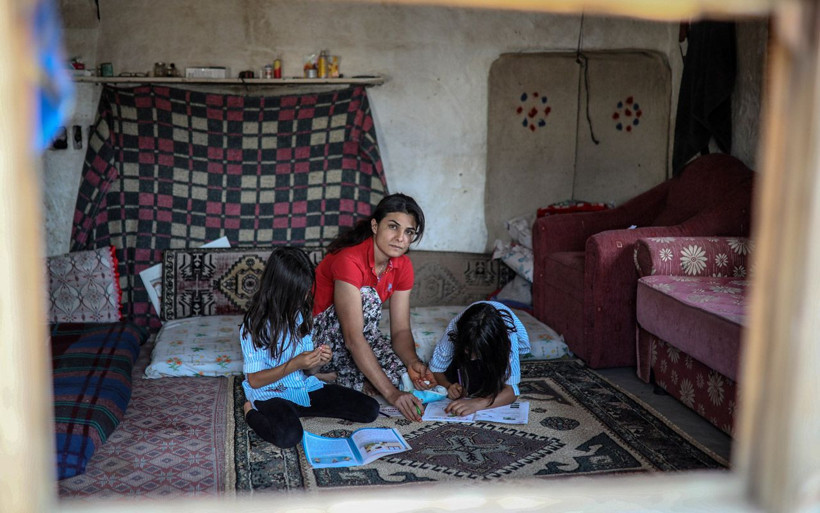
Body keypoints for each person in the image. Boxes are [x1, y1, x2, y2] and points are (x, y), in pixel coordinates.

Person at [239, 247, 380, 449]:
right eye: (300, 292)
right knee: (289, 437)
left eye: (306, 290)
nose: (305, 297)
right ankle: (249, 412)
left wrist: (318, 361)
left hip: (303, 387)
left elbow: (307, 371)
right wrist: (294, 363)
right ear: (281, 290)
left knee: (370, 409)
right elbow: (254, 380)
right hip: (270, 393)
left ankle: (295, 410)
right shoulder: (255, 325)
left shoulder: (299, 315)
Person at [312, 193, 435, 421]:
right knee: (367, 296)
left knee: (402, 375)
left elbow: (400, 331)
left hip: (360, 337)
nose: (400, 238)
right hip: (319, 340)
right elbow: (353, 337)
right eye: (393, 227)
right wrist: (392, 394)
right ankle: (319, 373)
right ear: (375, 226)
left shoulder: (403, 265)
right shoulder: (350, 260)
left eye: (409, 232)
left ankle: (337, 376)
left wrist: (412, 362)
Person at [428, 301, 531, 417]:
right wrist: (448, 386)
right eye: (467, 350)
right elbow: (436, 369)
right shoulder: (454, 328)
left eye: (477, 353)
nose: (472, 358)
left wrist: (478, 403)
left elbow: (512, 391)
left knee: (495, 381)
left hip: (502, 341)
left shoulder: (509, 338)